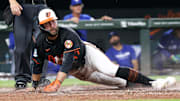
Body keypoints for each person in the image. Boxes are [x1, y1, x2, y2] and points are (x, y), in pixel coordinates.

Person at [31, 8, 176, 93]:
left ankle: (153, 83)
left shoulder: (67, 34)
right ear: (42, 26)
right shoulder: (40, 43)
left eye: (53, 21)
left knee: (110, 70)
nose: (51, 25)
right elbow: (37, 63)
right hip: (78, 71)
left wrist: (57, 83)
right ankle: (143, 86)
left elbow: (67, 60)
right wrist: (35, 85)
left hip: (88, 55)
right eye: (47, 24)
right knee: (118, 83)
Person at [5, 0, 50, 89]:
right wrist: (12, 1)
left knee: (42, 44)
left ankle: (40, 78)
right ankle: (21, 78)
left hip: (40, 6)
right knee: (21, 48)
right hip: (21, 7)